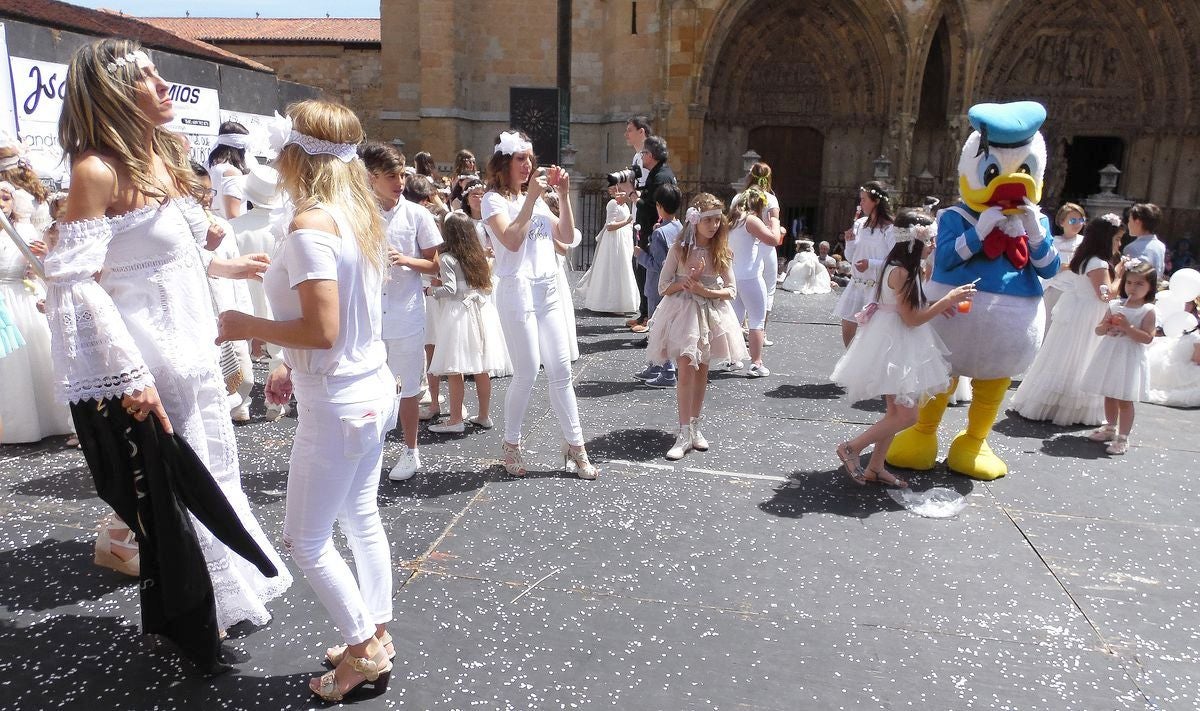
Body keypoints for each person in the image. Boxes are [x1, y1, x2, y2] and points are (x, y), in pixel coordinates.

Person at [48, 38, 289, 634]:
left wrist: (229, 266)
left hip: (197, 346)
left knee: (218, 472)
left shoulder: (161, 153)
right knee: (180, 490)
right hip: (152, 359)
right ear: (112, 92)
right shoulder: (96, 170)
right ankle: (199, 612)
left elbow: (166, 256)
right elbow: (77, 285)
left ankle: (231, 595)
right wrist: (128, 377)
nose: (162, 86)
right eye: (145, 77)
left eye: (160, 74)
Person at [215, 99, 396, 701]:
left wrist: (245, 325)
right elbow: (336, 325)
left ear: (296, 155)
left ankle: (364, 649)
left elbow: (322, 330)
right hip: (369, 387)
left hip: (340, 401)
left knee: (306, 541)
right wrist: (289, 364)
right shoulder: (358, 215)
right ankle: (375, 631)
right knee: (360, 516)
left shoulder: (312, 225)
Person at [480, 130, 598, 479]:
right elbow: (512, 241)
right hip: (517, 291)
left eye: (530, 158)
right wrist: (531, 199)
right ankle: (511, 444)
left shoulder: (539, 199)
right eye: (521, 158)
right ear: (504, 162)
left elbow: (567, 237)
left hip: (547, 290)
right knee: (528, 371)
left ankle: (576, 446)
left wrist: (563, 195)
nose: (528, 165)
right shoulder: (493, 200)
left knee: (561, 371)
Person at [831, 210, 975, 487]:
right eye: (930, 239)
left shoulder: (898, 265)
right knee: (908, 416)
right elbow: (912, 319)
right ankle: (852, 447)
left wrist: (932, 304)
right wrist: (947, 300)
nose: (934, 244)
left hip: (890, 339)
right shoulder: (904, 271)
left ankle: (875, 467)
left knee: (895, 415)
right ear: (914, 241)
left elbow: (905, 305)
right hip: (896, 344)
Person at [359, 141, 442, 481]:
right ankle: (371, 450)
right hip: (369, 315)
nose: (399, 182)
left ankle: (411, 450)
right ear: (372, 177)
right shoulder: (360, 214)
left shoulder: (417, 215)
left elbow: (435, 265)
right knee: (368, 386)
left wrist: (407, 260)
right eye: (391, 176)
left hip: (406, 313)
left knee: (408, 386)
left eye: (402, 175)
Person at [646, 193, 748, 460]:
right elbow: (663, 286)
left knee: (702, 370)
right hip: (683, 315)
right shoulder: (679, 249)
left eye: (717, 220)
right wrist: (686, 282)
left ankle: (694, 426)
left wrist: (705, 290)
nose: (714, 225)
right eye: (708, 220)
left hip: (710, 315)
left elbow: (731, 290)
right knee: (685, 370)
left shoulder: (721, 251)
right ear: (695, 221)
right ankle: (683, 432)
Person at [1010, 214, 1122, 426]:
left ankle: (1047, 401)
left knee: (1064, 354)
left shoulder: (1084, 258)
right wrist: (1120, 276)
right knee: (1079, 356)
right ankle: (1067, 405)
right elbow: (1105, 295)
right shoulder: (1098, 263)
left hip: (1077, 308)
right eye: (1117, 239)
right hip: (1088, 313)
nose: (1119, 244)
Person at [0, 182, 73, 444]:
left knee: (32, 355)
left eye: (5, 198)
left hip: (20, 298)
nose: (1, 204)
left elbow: (44, 267)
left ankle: (46, 419)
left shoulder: (24, 232)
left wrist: (41, 258)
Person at [427, 211, 508, 433]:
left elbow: (450, 289)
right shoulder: (477, 256)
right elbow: (485, 286)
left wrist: (430, 291)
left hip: (459, 313)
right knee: (481, 367)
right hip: (481, 310)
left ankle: (455, 420)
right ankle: (484, 415)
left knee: (455, 368)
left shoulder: (447, 258)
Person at [189, 162, 256, 423]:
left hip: (228, 311)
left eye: (210, 191)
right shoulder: (180, 229)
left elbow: (238, 279)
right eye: (199, 191)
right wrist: (205, 246)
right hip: (199, 317)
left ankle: (237, 407)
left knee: (244, 375)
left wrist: (247, 319)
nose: (206, 197)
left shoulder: (223, 226)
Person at [1081, 258, 1158, 455]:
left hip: (1129, 358)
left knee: (1124, 398)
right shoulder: (1115, 305)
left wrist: (1128, 327)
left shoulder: (1147, 310)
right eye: (1129, 282)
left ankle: (1123, 437)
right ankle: (1109, 427)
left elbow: (1147, 338)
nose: (1133, 288)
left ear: (1150, 287)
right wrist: (1107, 326)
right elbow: (1098, 330)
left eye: (1139, 284)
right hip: (1111, 354)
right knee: (1109, 393)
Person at [833, 182, 896, 346]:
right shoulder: (860, 223)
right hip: (856, 285)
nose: (860, 203)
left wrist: (871, 264)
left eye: (864, 199)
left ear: (876, 201)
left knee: (871, 336)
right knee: (848, 327)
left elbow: (896, 261)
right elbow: (850, 257)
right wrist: (850, 243)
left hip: (877, 289)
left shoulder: (891, 228)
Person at [634, 184, 683, 387]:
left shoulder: (660, 234)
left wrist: (641, 255)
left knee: (658, 329)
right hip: (675, 286)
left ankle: (667, 370)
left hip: (657, 287)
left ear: (660, 206)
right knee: (663, 328)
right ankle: (655, 365)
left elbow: (659, 265)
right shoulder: (680, 228)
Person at [728, 188, 780, 376]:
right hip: (751, 278)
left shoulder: (731, 221)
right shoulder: (750, 220)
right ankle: (756, 363)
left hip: (734, 276)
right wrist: (775, 222)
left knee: (735, 320)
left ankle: (733, 359)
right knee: (757, 320)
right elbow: (774, 240)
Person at [629, 134, 677, 333]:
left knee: (649, 274)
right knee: (644, 274)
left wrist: (632, 195)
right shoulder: (659, 173)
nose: (641, 157)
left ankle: (651, 321)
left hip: (652, 232)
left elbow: (650, 207)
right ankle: (645, 314)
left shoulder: (660, 177)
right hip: (650, 230)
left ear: (650, 154)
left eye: (643, 153)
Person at [574, 185, 640, 315]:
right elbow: (610, 226)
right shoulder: (613, 203)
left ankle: (622, 303)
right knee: (614, 269)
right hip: (613, 241)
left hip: (624, 240)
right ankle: (610, 304)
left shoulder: (625, 205)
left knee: (623, 269)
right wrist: (627, 222)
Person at [741, 163, 784, 347]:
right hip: (765, 246)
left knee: (740, 287)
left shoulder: (740, 197)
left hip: (744, 246)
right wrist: (779, 228)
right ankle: (761, 332)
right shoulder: (771, 199)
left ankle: (742, 329)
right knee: (768, 289)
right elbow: (775, 226)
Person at [1043, 203, 1087, 331]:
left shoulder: (1085, 243)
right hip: (1053, 287)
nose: (1077, 224)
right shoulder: (1053, 242)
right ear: (1062, 222)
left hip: (1074, 290)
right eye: (1073, 220)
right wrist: (1058, 268)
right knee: (1048, 325)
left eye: (1081, 220)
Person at [1147, 311, 1200, 407]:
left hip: (1171, 364)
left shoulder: (1185, 335)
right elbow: (1196, 360)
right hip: (1185, 368)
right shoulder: (1197, 339)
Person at [207, 121, 251, 219]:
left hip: (212, 223)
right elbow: (233, 216)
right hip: (229, 227)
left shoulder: (209, 166)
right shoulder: (231, 172)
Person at [1123, 203, 1166, 277]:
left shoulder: (1131, 248)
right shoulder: (1161, 245)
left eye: (1129, 221)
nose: (1128, 224)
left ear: (1137, 222)